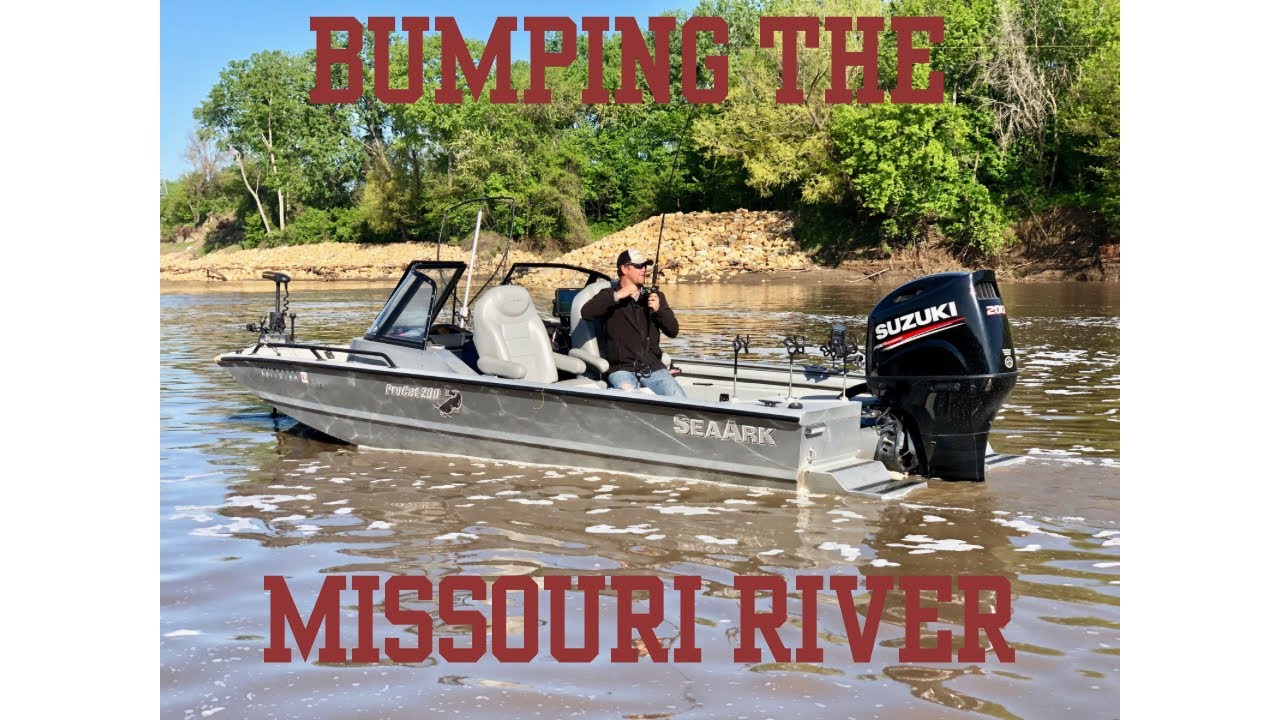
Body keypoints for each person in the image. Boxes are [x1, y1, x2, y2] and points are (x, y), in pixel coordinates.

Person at [579, 249, 687, 397]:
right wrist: (618, 295)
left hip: (653, 367)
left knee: (680, 400)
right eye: (638, 266)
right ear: (624, 269)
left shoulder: (655, 297)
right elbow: (586, 312)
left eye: (645, 266)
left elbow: (673, 331)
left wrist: (659, 310)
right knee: (629, 396)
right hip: (621, 369)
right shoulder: (608, 295)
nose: (643, 269)